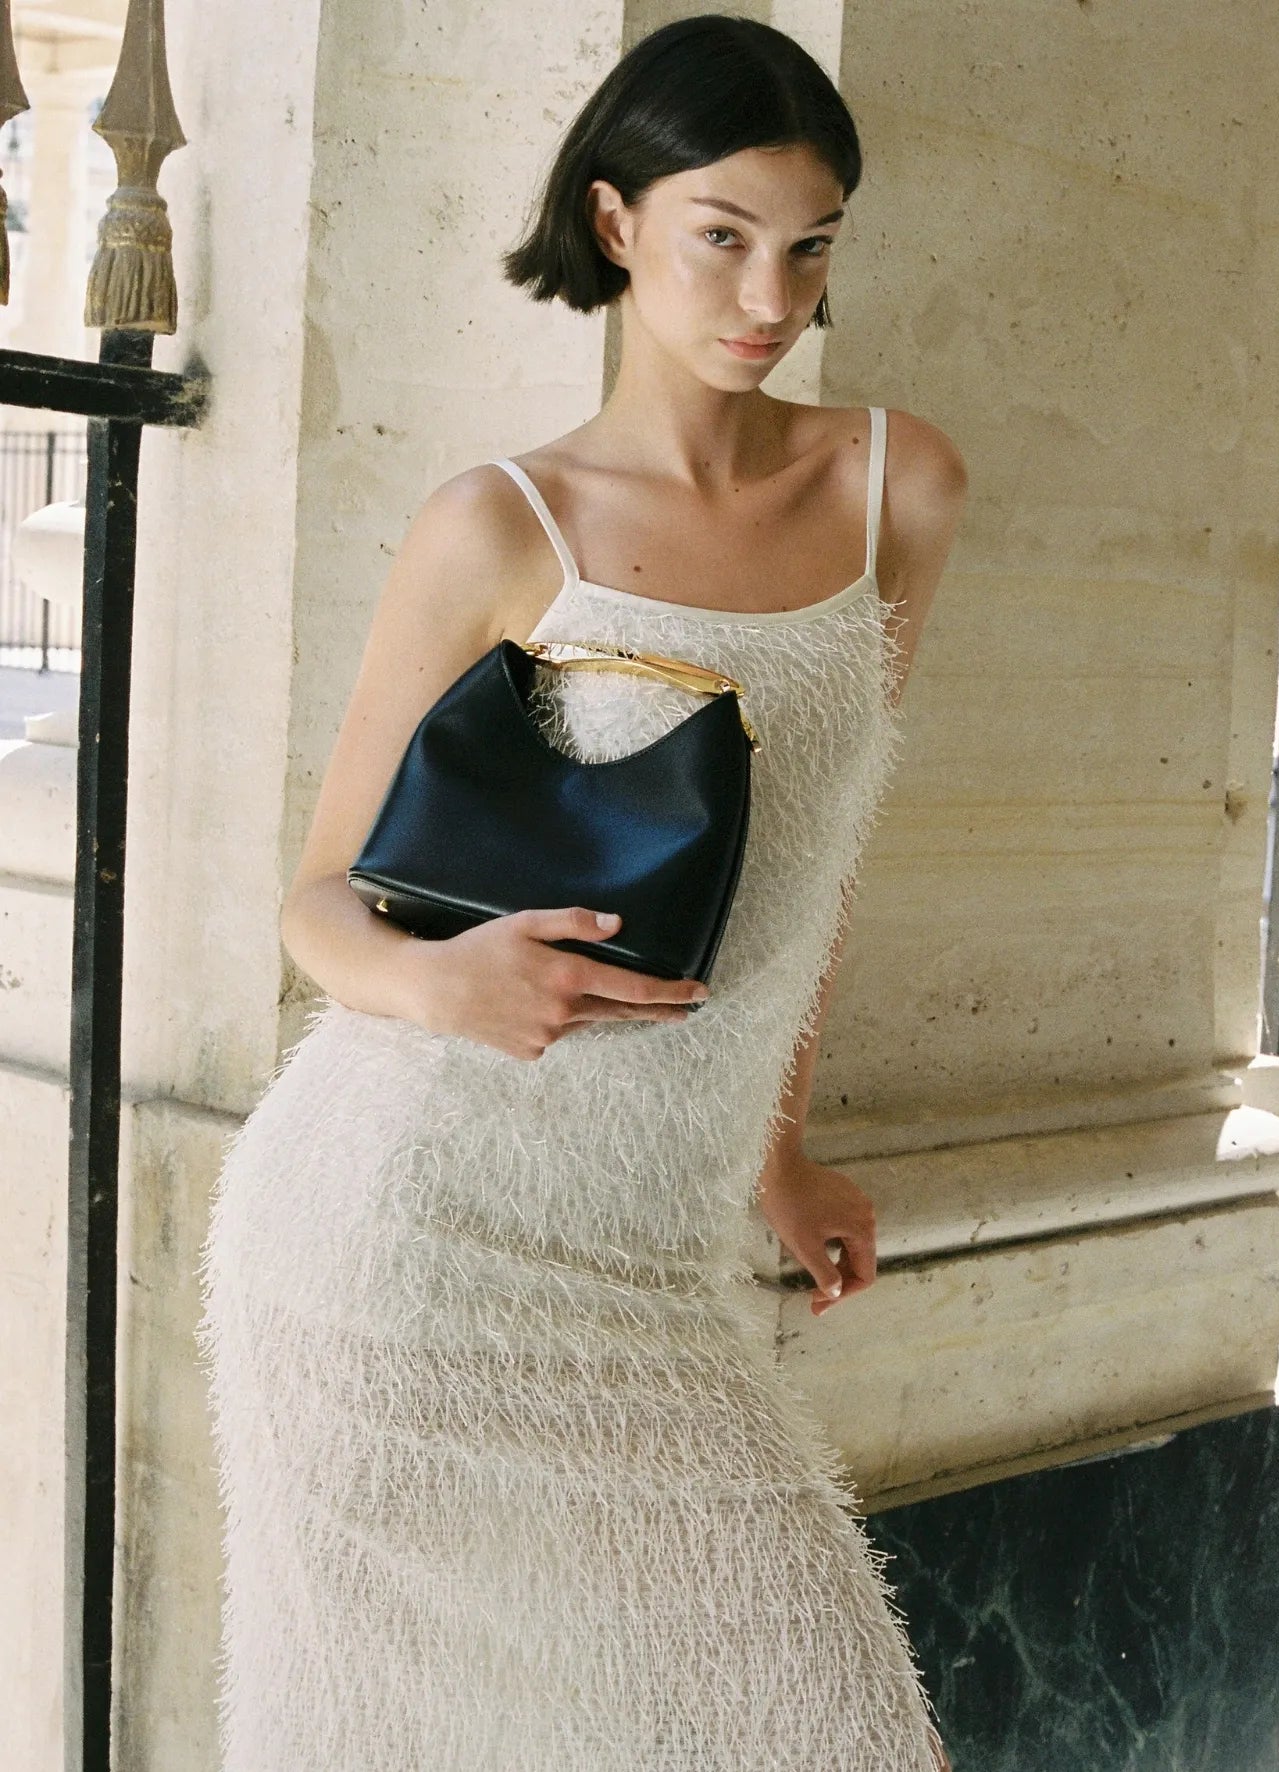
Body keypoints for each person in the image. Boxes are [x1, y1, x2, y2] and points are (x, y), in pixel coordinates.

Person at [197, 13, 967, 1770]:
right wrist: (437, 981)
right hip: (400, 1241)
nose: (769, 297)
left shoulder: (893, 489)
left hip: (650, 1261)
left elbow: (819, 860)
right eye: (722, 236)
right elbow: (318, 902)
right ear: (616, 223)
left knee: (832, 1731)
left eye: (809, 246)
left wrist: (779, 1149)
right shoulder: (499, 524)